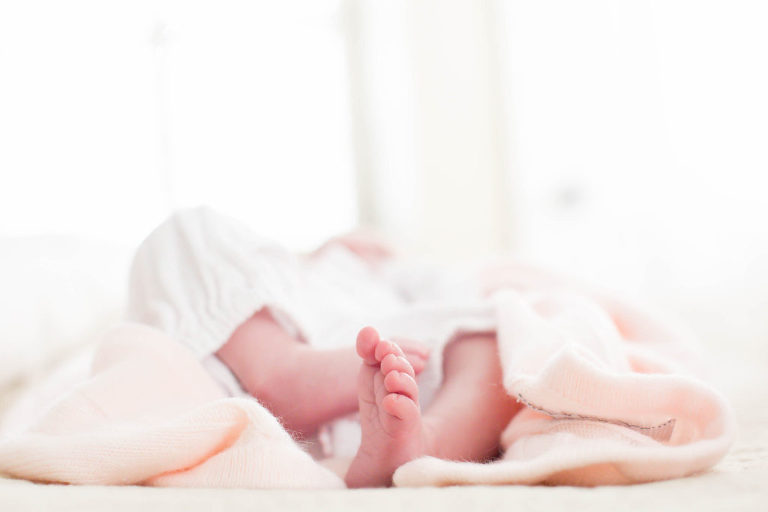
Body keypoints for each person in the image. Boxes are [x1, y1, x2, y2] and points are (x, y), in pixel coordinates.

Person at [127, 207, 522, 487]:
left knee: (496, 335)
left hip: (403, 388)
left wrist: (402, 266)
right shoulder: (282, 282)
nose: (364, 247)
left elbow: (462, 300)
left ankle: (422, 447)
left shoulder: (399, 282)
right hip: (254, 363)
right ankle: (283, 370)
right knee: (189, 228)